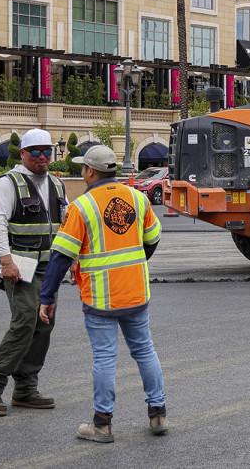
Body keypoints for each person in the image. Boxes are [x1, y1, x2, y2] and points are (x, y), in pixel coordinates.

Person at [38, 145, 166, 443]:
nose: (82, 171)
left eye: (82, 167)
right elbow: (152, 239)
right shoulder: (139, 198)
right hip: (136, 292)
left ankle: (102, 423)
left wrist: (47, 298)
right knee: (145, 351)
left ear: (90, 171)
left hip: (101, 298)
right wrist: (135, 263)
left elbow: (60, 256)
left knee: (105, 359)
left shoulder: (81, 207)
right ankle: (158, 413)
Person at [0, 128, 67, 416]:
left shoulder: (56, 184)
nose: (43, 157)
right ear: (22, 153)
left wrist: (71, 262)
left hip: (49, 267)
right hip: (20, 268)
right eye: (36, 151)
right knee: (26, 321)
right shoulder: (8, 183)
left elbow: (64, 225)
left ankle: (26, 389)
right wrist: (6, 262)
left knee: (44, 325)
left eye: (47, 151)